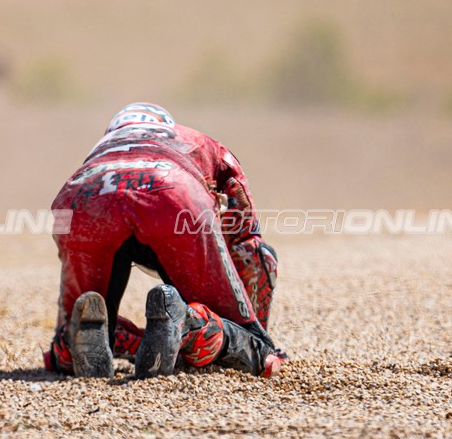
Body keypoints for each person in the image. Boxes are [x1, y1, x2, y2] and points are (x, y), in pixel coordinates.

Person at [44, 102, 284, 379]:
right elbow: (248, 244)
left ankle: (74, 342)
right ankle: (188, 327)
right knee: (256, 348)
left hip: (81, 200)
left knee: (78, 320)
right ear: (166, 124)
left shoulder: (102, 148)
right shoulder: (196, 139)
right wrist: (256, 333)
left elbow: (62, 235)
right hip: (173, 196)